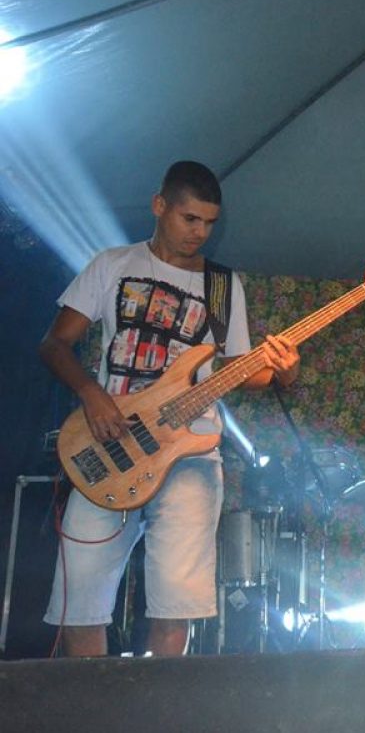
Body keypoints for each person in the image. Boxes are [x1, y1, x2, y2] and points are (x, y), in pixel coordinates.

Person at [39, 160, 300, 657]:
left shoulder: (224, 287)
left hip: (190, 455)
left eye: (209, 224)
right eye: (189, 219)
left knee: (175, 608)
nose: (200, 233)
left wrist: (282, 371)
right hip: (109, 443)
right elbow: (54, 344)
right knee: (81, 604)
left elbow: (244, 370)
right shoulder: (112, 265)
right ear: (160, 206)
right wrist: (93, 395)